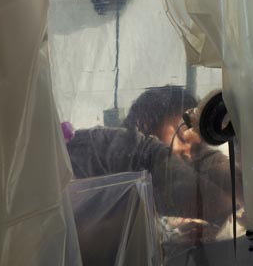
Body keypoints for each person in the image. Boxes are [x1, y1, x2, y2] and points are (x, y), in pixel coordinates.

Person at [67, 85, 239, 227]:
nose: (187, 155)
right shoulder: (105, 146)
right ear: (145, 121)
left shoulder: (151, 193)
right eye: (181, 138)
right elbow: (220, 203)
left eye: (195, 151)